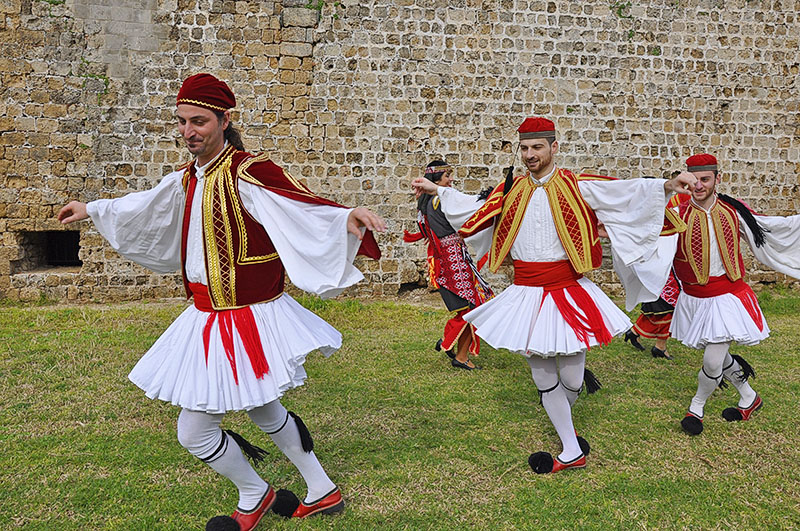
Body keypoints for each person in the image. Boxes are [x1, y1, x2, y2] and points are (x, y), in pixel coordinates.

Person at [57, 73, 386, 530]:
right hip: (207, 315)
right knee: (264, 407)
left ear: (225, 120)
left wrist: (345, 215)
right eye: (182, 122)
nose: (189, 131)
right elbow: (144, 204)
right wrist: (93, 209)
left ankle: (255, 492)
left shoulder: (249, 172)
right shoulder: (188, 178)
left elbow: (300, 204)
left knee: (194, 430)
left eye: (199, 121)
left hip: (247, 318)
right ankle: (322, 490)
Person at [413, 117, 695, 474]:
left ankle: (565, 422)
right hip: (527, 293)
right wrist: (436, 189)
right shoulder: (510, 190)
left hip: (570, 290)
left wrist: (669, 184)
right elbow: (472, 206)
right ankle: (570, 448)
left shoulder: (577, 185)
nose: (530, 155)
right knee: (544, 377)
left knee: (574, 380)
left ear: (553, 147)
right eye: (525, 148)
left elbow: (625, 192)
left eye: (538, 148)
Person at [670, 154, 800, 436]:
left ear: (718, 178)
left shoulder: (734, 211)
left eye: (706, 179)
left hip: (728, 296)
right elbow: (646, 235)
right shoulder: (677, 213)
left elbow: (774, 227)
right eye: (695, 180)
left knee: (713, 361)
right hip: (695, 297)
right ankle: (749, 397)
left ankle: (696, 407)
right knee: (718, 354)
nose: (700, 186)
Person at [404, 160, 494, 370]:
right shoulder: (440, 202)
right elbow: (467, 210)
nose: (451, 179)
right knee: (471, 309)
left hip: (448, 261)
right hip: (454, 263)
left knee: (469, 307)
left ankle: (451, 343)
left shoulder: (427, 204)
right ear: (436, 181)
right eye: (447, 176)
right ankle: (460, 356)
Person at [623, 269, 680, 359]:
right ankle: (660, 347)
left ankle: (634, 332)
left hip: (661, 273)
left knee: (660, 308)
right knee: (667, 310)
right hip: (664, 274)